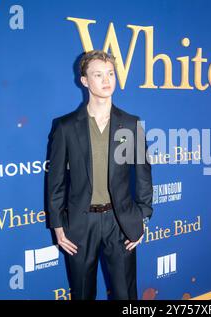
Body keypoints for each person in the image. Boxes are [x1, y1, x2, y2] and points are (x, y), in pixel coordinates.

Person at [46, 50, 153, 300]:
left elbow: (144, 175)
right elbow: (55, 181)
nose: (106, 80)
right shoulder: (65, 127)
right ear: (84, 80)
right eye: (98, 75)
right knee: (82, 294)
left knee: (126, 295)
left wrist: (142, 218)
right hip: (80, 224)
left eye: (110, 74)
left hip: (121, 222)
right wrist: (58, 225)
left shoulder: (130, 123)